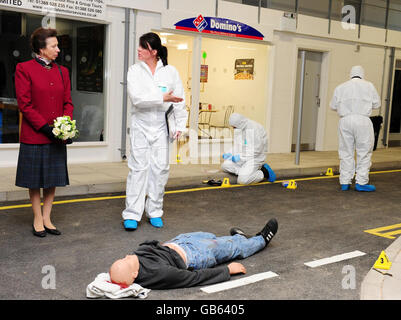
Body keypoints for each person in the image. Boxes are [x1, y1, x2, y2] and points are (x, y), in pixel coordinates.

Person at [122, 32, 187, 231]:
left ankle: (155, 211)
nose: (139, 50)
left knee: (160, 170)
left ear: (154, 51)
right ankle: (132, 214)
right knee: (138, 169)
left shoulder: (170, 72)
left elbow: (179, 100)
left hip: (161, 127)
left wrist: (179, 126)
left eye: (143, 47)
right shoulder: (134, 71)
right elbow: (137, 99)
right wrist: (162, 97)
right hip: (141, 125)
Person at [14, 27, 74, 237]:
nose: (58, 49)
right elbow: (25, 104)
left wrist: (64, 125)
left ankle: (47, 217)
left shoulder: (63, 71)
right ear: (41, 49)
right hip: (35, 134)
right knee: (35, 180)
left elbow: (68, 102)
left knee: (52, 179)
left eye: (57, 45)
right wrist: (46, 128)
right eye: (54, 46)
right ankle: (37, 218)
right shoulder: (24, 68)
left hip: (57, 135)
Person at [109, 218, 278, 289]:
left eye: (123, 258)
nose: (128, 256)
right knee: (230, 248)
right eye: (128, 262)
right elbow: (192, 278)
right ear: (135, 273)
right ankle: (261, 240)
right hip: (196, 254)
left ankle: (239, 239)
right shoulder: (159, 273)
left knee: (214, 237)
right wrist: (228, 270)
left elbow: (148, 246)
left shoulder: (134, 262)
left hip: (180, 242)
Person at [330, 65, 381, 192]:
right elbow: (377, 104)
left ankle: (345, 182)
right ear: (362, 74)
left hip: (345, 119)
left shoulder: (340, 87)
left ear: (350, 74)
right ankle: (361, 182)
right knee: (364, 151)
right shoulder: (369, 85)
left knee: (345, 151)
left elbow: (333, 106)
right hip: (363, 119)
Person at [221, 113, 276, 185]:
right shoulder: (240, 128)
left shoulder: (254, 129)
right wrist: (230, 153)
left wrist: (240, 157)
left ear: (239, 123)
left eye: (234, 127)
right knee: (225, 166)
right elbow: (237, 145)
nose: (233, 129)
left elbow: (256, 151)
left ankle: (264, 172)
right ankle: (244, 172)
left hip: (255, 158)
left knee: (242, 180)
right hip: (244, 157)